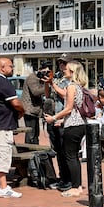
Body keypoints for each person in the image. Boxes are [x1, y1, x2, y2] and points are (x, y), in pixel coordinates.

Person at [44, 60, 88, 197]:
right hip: (79, 123)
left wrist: (54, 118)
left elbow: (68, 108)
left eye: (67, 69)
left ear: (73, 72)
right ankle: (77, 185)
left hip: (73, 125)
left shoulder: (71, 86)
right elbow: (74, 108)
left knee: (71, 156)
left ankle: (75, 186)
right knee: (73, 156)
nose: (64, 70)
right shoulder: (79, 86)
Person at [0, 57, 24, 198]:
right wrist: (22, 110)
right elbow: (16, 103)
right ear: (2, 67)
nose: (12, 68)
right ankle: (3, 188)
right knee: (2, 156)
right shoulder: (3, 82)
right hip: (2, 126)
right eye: (10, 66)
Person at [43, 53, 72, 192]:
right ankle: (62, 178)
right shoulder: (57, 77)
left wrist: (52, 83)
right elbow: (48, 95)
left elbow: (64, 94)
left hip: (62, 119)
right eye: (60, 63)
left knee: (65, 151)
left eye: (64, 63)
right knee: (58, 151)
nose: (62, 65)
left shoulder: (71, 79)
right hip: (52, 117)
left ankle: (69, 179)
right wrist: (47, 83)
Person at [21, 62, 49, 144]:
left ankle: (34, 153)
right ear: (39, 70)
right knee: (31, 135)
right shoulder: (32, 78)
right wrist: (47, 85)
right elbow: (36, 92)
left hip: (35, 111)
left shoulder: (39, 78)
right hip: (30, 111)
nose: (45, 74)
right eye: (44, 72)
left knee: (36, 134)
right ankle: (29, 153)